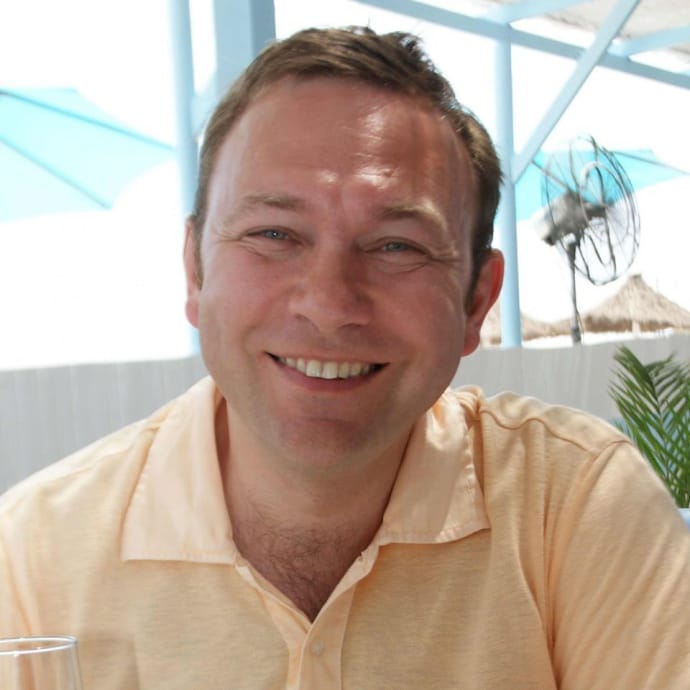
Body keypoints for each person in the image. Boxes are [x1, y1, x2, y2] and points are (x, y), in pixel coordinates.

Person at [1, 26, 689, 690]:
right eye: (274, 234)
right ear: (194, 270)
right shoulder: (32, 559)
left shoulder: (571, 509)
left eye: (396, 246)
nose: (329, 304)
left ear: (476, 301)